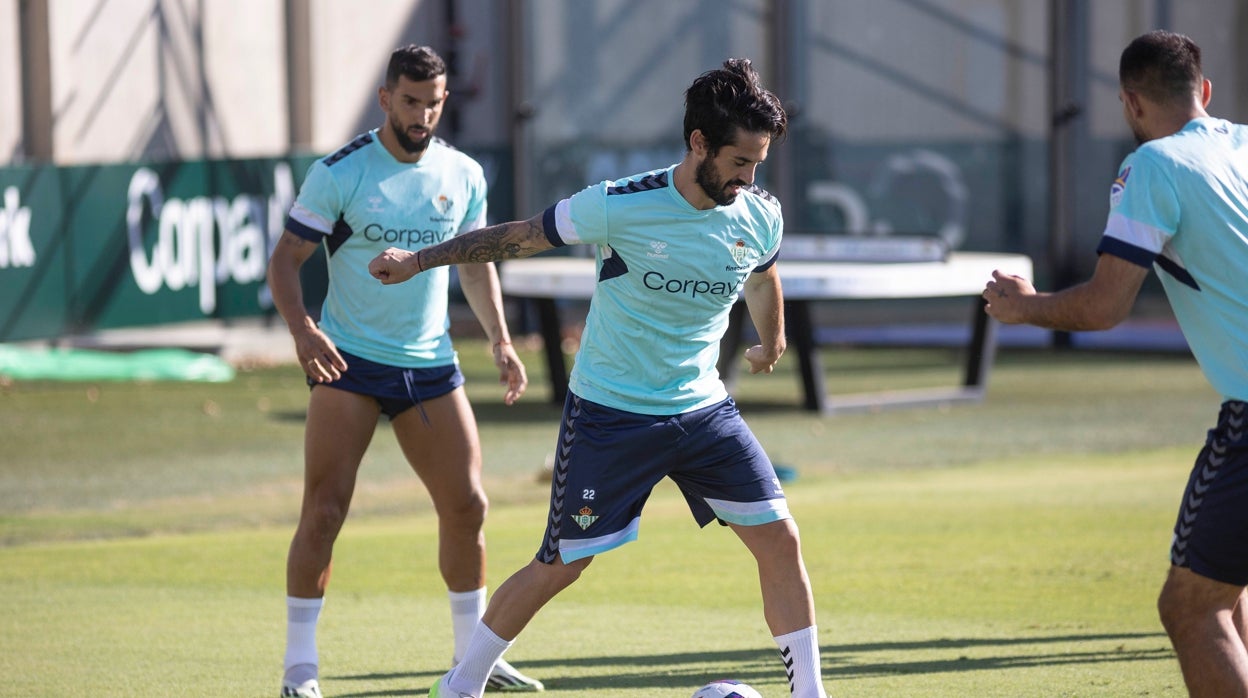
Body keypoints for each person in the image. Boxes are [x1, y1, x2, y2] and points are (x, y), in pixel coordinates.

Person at [370, 57, 829, 698]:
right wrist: (421, 260)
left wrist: (771, 337)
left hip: (703, 411)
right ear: (698, 143)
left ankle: (810, 694)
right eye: (738, 162)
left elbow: (763, 274)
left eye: (757, 163)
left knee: (780, 539)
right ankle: (460, 685)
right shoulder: (620, 205)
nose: (748, 177)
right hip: (611, 414)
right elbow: (520, 236)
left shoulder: (758, 213)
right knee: (563, 564)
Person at [267, 45, 544, 698]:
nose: (423, 114)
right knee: (325, 512)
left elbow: (475, 265)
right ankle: (299, 671)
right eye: (411, 101)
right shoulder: (341, 172)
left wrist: (501, 342)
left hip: (430, 365)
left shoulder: (464, 173)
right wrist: (304, 332)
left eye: (434, 102)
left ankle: (472, 663)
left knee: (468, 506)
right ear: (386, 98)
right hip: (349, 364)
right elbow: (285, 261)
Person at [982, 30, 1248, 697]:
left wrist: (1024, 307)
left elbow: (1103, 307)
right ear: (1206, 92)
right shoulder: (1244, 145)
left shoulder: (1153, 165)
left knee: (1190, 606)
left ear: (1130, 104)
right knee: (1227, 589)